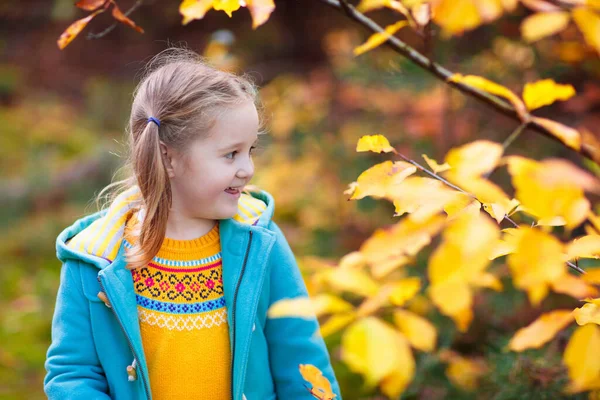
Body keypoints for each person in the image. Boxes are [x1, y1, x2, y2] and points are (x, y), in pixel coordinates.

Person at [44, 47, 342, 400]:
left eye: (251, 151)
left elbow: (304, 367)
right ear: (169, 158)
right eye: (231, 154)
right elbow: (72, 374)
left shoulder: (260, 244)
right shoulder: (96, 257)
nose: (247, 169)